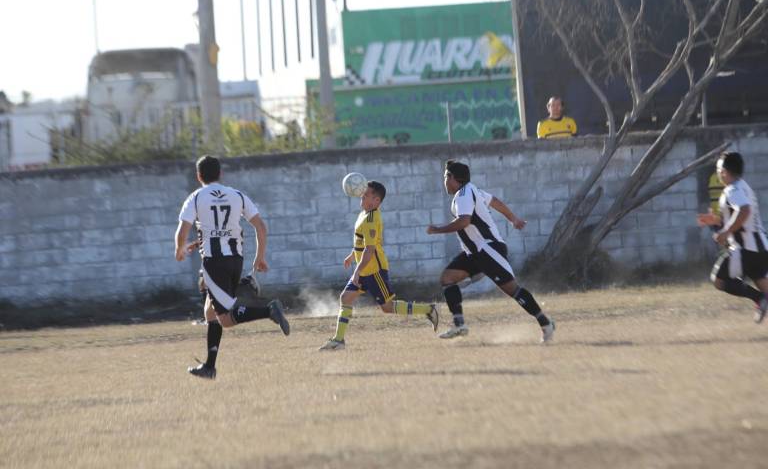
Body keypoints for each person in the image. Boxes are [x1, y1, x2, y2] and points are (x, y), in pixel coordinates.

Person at [175, 155, 290, 380]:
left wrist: (178, 249)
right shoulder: (237, 195)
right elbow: (260, 227)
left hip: (213, 262)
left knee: (225, 319)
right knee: (209, 312)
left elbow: (182, 231)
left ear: (199, 176)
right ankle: (209, 366)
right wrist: (260, 258)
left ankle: (269, 310)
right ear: (221, 174)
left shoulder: (196, 197)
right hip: (235, 259)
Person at [427, 160, 555, 342]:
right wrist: (514, 219)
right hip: (475, 253)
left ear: (456, 178)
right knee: (447, 278)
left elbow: (464, 221)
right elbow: (494, 201)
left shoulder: (464, 194)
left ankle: (546, 324)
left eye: (446, 176)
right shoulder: (471, 190)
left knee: (513, 290)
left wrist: (437, 229)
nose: (444, 181)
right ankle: (459, 324)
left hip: (487, 249)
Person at [319, 180, 439, 350]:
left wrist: (357, 271)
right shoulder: (363, 214)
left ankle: (428, 309)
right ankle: (338, 340)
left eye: (366, 194)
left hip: (374, 270)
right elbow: (361, 243)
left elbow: (369, 249)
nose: (362, 195)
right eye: (362, 193)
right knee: (345, 298)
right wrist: (352, 255)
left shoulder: (371, 219)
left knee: (388, 307)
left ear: (376, 201)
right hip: (364, 269)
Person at [696, 152, 768, 323]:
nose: (718, 173)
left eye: (719, 169)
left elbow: (744, 211)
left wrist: (726, 231)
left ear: (725, 171)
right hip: (760, 247)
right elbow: (740, 214)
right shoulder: (743, 186)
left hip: (745, 249)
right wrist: (716, 220)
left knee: (718, 280)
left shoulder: (732, 189)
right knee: (764, 286)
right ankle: (761, 298)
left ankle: (759, 299)